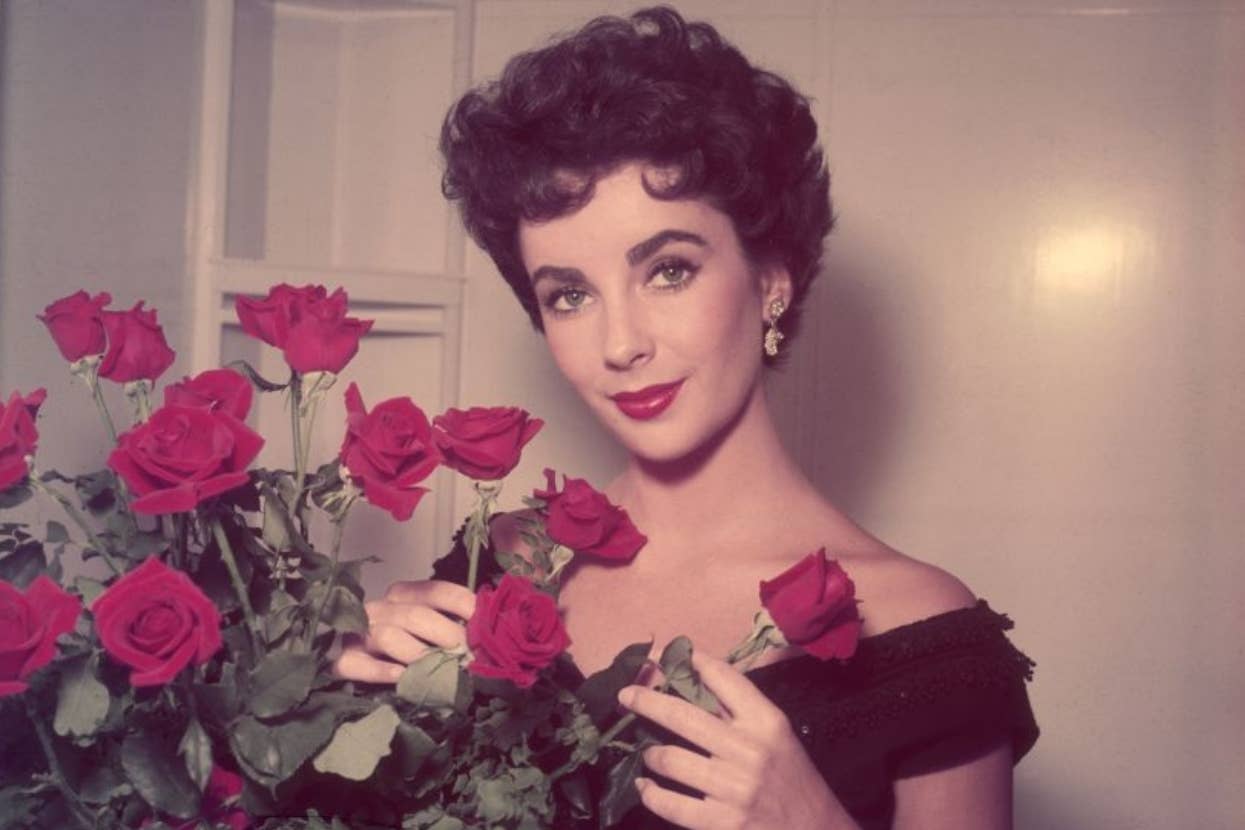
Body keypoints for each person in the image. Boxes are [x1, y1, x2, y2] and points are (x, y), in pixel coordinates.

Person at [334, 6, 1037, 829]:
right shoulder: (501, 567)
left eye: (668, 270)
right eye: (569, 295)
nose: (620, 342)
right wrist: (335, 689)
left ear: (770, 279)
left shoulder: (924, 637)